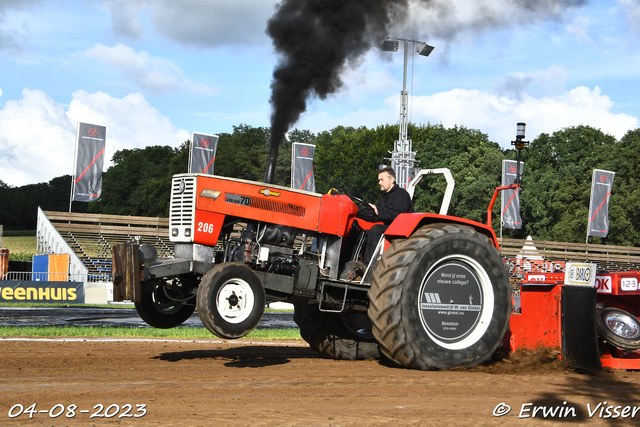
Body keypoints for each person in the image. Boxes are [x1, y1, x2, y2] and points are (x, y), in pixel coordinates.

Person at [359, 167, 414, 263]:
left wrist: (378, 212)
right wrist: (356, 212)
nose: (379, 183)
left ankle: (369, 265)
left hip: (401, 230)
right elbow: (374, 214)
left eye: (382, 180)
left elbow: (398, 215)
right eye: (379, 180)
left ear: (392, 179)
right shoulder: (385, 197)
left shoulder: (401, 194)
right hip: (390, 228)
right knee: (359, 231)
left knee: (376, 229)